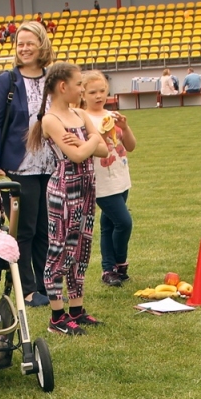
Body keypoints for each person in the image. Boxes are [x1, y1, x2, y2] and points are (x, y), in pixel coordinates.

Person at [27, 62, 108, 335]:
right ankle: (57, 317)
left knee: (81, 249)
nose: (81, 90)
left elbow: (104, 149)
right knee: (59, 251)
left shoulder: (80, 114)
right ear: (63, 87)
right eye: (78, 85)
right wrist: (91, 142)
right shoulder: (51, 119)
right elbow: (76, 156)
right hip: (64, 190)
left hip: (86, 188)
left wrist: (88, 144)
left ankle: (76, 310)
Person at [0, 21, 56, 308]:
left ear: (42, 45)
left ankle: (45, 284)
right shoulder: (7, 81)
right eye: (20, 43)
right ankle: (26, 289)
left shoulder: (52, 78)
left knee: (46, 230)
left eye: (30, 42)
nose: (24, 48)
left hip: (50, 166)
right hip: (18, 167)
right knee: (24, 230)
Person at [83, 70, 137, 286]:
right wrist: (104, 136)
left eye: (102, 91)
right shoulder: (82, 118)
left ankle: (108, 269)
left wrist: (124, 127)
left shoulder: (111, 115)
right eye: (92, 92)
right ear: (83, 94)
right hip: (101, 182)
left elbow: (131, 146)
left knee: (108, 225)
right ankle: (120, 262)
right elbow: (91, 148)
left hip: (121, 178)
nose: (98, 96)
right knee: (124, 222)